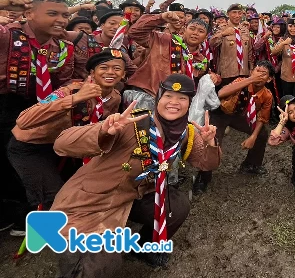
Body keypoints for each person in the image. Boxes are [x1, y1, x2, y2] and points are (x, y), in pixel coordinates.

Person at [51, 74, 222, 275]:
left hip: (135, 195)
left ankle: (141, 248)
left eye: (182, 98)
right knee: (101, 265)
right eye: (168, 96)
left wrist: (210, 143)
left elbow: (207, 163)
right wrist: (103, 130)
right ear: (159, 98)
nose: (174, 103)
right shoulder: (133, 123)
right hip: (94, 201)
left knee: (176, 205)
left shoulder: (186, 132)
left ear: (189, 103)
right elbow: (61, 144)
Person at [7, 49, 125, 234]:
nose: (111, 72)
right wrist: (74, 99)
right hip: (32, 147)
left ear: (123, 74)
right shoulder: (69, 91)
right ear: (91, 73)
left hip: (66, 148)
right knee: (53, 195)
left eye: (117, 68)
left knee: (77, 190)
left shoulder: (115, 98)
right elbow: (24, 120)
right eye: (104, 67)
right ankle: (38, 231)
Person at [1, 0, 76, 233]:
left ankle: (32, 211)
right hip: (5, 104)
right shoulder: (8, 36)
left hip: (40, 108)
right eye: (52, 13)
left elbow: (66, 80)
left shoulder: (64, 47)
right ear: (29, 13)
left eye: (65, 15)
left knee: (34, 159)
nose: (61, 20)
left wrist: (64, 95)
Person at [214, 61, 274, 175]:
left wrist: (253, 137)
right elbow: (221, 93)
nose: (258, 75)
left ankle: (251, 165)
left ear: (269, 79)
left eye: (263, 74)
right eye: (257, 71)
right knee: (213, 142)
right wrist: (251, 79)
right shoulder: (241, 81)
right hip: (220, 114)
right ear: (251, 72)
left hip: (239, 116)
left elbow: (262, 118)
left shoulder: (267, 95)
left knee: (262, 133)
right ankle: (203, 177)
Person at [124, 10, 191, 110]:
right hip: (146, 94)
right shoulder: (160, 38)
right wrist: (161, 17)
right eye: (193, 29)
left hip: (171, 101)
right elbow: (135, 32)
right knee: (140, 125)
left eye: (201, 31)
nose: (195, 33)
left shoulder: (195, 54)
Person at [209, 4, 253, 85]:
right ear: (228, 14)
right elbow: (212, 43)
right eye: (234, 12)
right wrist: (223, 34)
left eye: (239, 13)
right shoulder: (222, 28)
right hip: (227, 73)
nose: (237, 15)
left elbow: (249, 52)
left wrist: (251, 69)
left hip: (244, 72)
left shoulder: (245, 30)